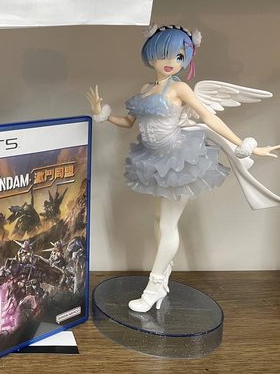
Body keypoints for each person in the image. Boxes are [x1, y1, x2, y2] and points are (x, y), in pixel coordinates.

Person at [87, 25, 279, 312]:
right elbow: (129, 123)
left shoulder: (180, 88)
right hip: (151, 160)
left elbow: (208, 117)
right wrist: (103, 114)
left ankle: (153, 287)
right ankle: (163, 279)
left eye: (179, 56)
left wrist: (247, 145)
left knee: (167, 224)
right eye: (164, 54)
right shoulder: (145, 89)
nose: (171, 62)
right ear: (150, 55)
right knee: (158, 221)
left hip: (179, 160)